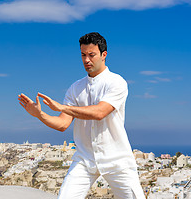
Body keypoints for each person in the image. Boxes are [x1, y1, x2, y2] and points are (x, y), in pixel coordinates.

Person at [18, 32, 145, 199]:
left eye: (91, 55)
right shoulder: (75, 88)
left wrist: (62, 107)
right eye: (83, 55)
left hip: (117, 159)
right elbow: (63, 124)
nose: (86, 60)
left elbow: (100, 112)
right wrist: (40, 114)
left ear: (103, 55)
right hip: (85, 159)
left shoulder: (116, 82)